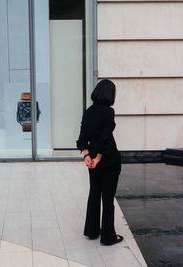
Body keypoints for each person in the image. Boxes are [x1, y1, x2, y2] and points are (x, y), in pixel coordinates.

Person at [76, 79, 123, 246]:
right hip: (109, 160)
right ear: (111, 94)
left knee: (94, 193)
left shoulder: (88, 111)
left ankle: (92, 230)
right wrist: (98, 158)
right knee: (107, 198)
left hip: (93, 160)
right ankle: (109, 236)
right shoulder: (109, 112)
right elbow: (105, 137)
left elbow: (82, 137)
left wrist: (87, 156)